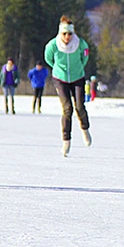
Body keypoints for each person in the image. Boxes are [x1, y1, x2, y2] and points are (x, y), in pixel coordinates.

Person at [44, 16, 92, 157]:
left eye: (70, 34)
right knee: (67, 108)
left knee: (79, 106)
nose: (67, 37)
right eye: (64, 34)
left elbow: (85, 57)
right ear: (60, 33)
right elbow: (48, 58)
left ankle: (85, 128)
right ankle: (66, 140)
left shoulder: (80, 44)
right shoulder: (53, 45)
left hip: (77, 77)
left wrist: (79, 68)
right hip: (60, 79)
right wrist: (58, 70)